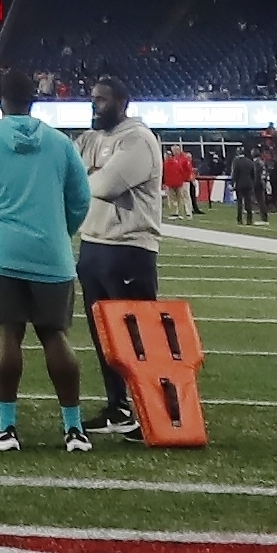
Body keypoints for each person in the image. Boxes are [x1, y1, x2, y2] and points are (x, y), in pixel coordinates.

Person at [0, 88, 97, 453]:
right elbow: (81, 198)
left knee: (7, 335)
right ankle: (74, 429)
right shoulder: (61, 143)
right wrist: (58, 231)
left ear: (1, 102)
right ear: (33, 102)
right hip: (52, 253)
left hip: (0, 251)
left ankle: (7, 427)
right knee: (56, 336)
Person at [75, 81, 166, 440]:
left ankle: (155, 412)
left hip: (129, 247)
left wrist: (84, 178)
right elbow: (71, 176)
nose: (96, 105)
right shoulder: (91, 138)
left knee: (139, 337)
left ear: (122, 102)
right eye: (94, 99)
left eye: (103, 99)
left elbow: (105, 186)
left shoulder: (138, 139)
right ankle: (119, 407)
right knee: (105, 337)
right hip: (93, 244)